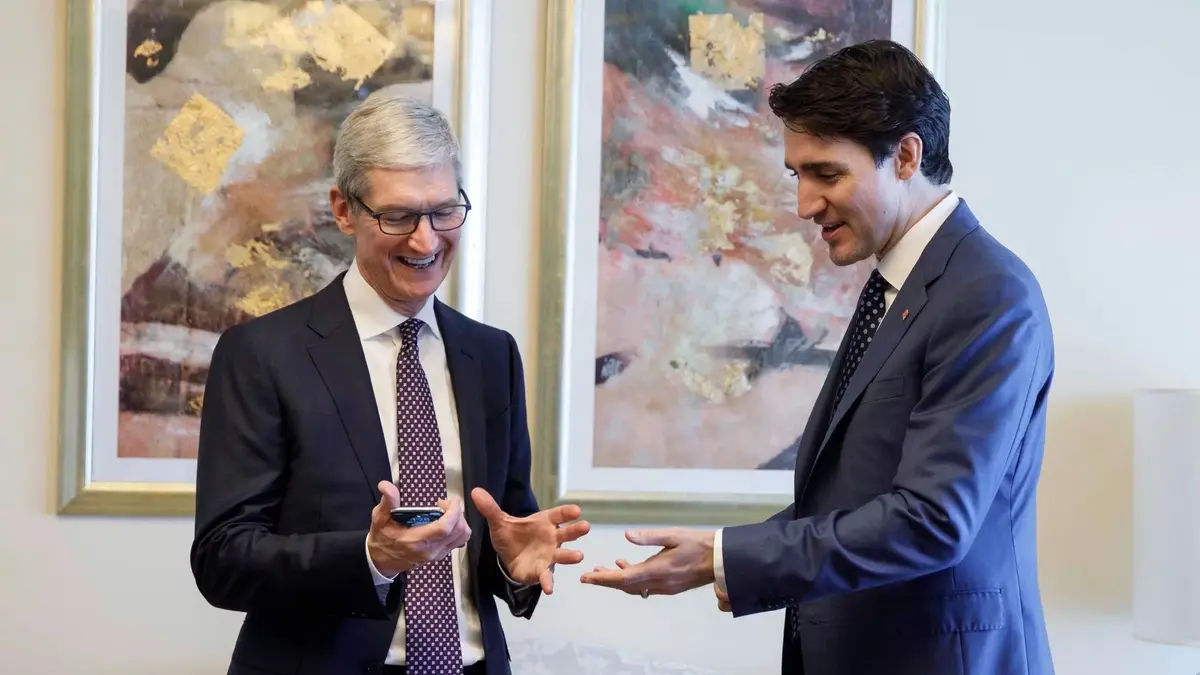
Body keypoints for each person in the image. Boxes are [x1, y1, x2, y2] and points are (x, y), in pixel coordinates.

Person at [580, 39, 1056, 675]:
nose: (805, 204)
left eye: (826, 174)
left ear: (907, 155)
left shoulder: (988, 294)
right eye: (797, 175)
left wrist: (725, 556)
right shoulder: (899, 285)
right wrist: (717, 554)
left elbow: (933, 520)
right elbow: (857, 496)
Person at [191, 91, 591, 675]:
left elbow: (503, 527)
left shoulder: (492, 355)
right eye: (397, 216)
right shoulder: (262, 355)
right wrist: (368, 558)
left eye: (444, 211)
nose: (425, 241)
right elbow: (222, 560)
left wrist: (510, 564)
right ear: (344, 209)